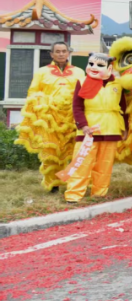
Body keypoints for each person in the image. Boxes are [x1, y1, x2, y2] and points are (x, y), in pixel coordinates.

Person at [15, 41, 85, 192]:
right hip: (50, 118)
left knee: (76, 151)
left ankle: (75, 184)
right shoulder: (42, 72)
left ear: (68, 53)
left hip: (73, 117)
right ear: (51, 54)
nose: (61, 54)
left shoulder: (79, 72)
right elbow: (33, 92)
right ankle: (53, 185)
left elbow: (84, 93)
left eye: (64, 51)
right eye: (57, 51)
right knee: (51, 152)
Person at [64, 53, 125, 204]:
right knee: (81, 163)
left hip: (111, 128)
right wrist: (83, 125)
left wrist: (126, 128)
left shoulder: (118, 84)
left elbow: (123, 107)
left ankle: (99, 193)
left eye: (100, 65)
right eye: (91, 64)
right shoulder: (82, 81)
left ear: (109, 68)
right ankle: (73, 194)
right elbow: (77, 106)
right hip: (89, 129)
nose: (94, 67)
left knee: (105, 164)